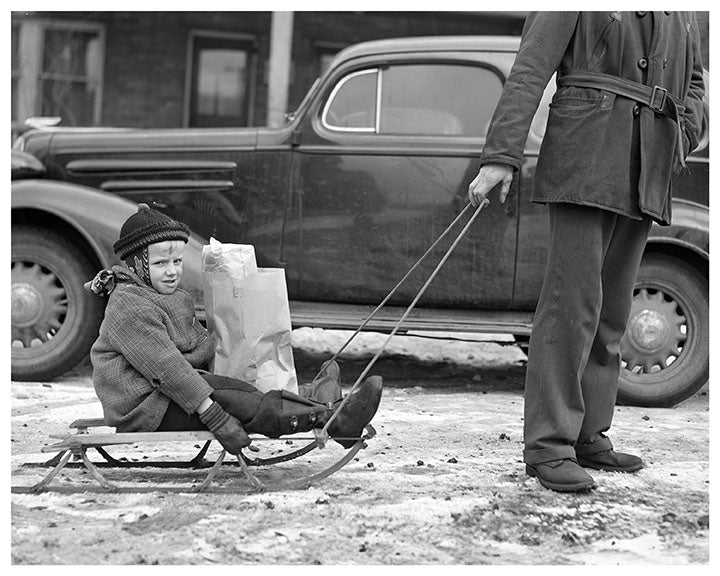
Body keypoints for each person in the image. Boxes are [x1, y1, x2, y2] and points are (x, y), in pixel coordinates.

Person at [468, 12, 704, 492]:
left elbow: (696, 82)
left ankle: (588, 433)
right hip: (585, 152)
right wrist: (501, 155)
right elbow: (531, 68)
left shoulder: (682, 10)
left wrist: (682, 135)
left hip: (648, 165)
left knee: (613, 310)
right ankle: (549, 446)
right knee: (570, 306)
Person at [87, 203, 383, 455]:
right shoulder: (129, 306)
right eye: (161, 262)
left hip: (173, 393)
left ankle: (312, 398)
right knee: (235, 399)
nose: (173, 270)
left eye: (177, 261)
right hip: (147, 407)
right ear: (137, 263)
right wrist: (215, 417)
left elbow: (197, 348)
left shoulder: (169, 296)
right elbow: (167, 368)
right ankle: (334, 419)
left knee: (240, 387)